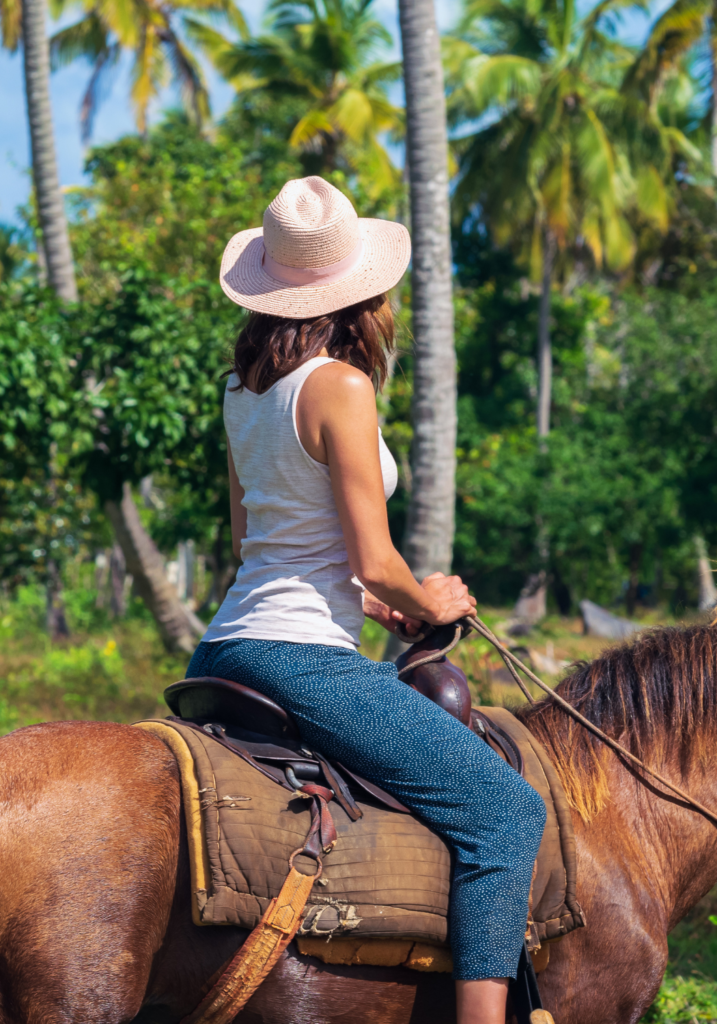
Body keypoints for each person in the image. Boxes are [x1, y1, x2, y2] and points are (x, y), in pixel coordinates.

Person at [186, 176, 546, 1024]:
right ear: (361, 296)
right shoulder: (341, 387)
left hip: (225, 647)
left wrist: (375, 600)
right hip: (301, 657)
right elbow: (377, 559)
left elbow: (261, 540)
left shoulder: (240, 392)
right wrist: (425, 599)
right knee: (505, 810)